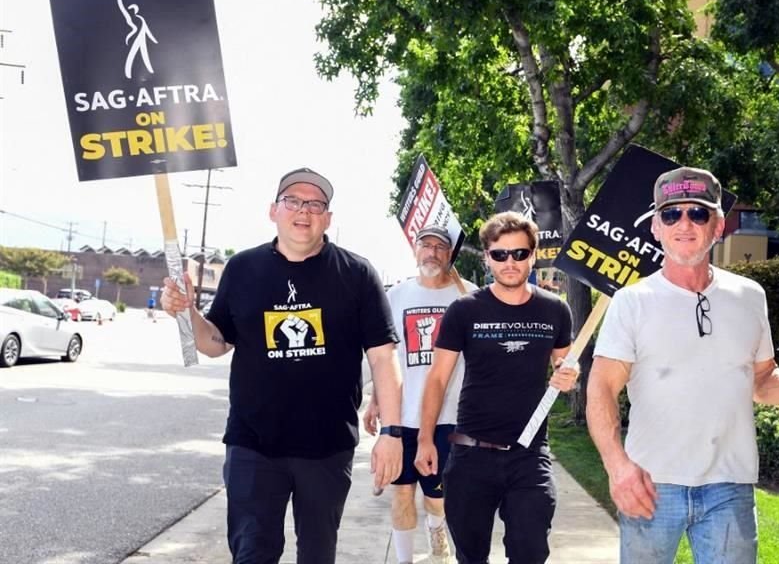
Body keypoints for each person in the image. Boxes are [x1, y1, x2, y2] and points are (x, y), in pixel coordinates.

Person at [586, 166, 779, 564]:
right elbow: (601, 388)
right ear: (656, 226)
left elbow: (761, 381)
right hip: (651, 483)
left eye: (698, 213)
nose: (684, 223)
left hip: (730, 486)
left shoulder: (749, 296)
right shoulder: (632, 301)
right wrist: (617, 466)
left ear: (718, 224)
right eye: (671, 214)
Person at [160, 167, 403, 564]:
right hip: (254, 444)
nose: (303, 211)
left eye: (315, 204)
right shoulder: (242, 269)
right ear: (273, 210)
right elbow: (215, 343)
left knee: (317, 554)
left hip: (327, 447)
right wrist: (185, 313)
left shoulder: (357, 274)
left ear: (328, 217)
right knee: (252, 553)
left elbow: (382, 357)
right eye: (293, 201)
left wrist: (392, 433)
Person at [415, 211, 579, 564]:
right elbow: (438, 379)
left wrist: (569, 374)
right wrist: (425, 440)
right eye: (500, 254)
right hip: (471, 454)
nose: (510, 262)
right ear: (487, 257)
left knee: (530, 552)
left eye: (520, 253)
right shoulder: (464, 310)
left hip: (530, 455)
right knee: (471, 557)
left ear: (533, 256)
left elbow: (565, 366)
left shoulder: (555, 310)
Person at [363, 225, 478, 564]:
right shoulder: (396, 296)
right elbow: (387, 355)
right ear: (415, 250)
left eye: (440, 247)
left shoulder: (469, 295)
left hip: (450, 415)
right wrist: (375, 400)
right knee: (401, 492)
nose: (431, 252)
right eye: (425, 245)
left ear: (449, 254)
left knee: (438, 495)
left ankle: (437, 531)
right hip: (403, 414)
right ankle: (404, 560)